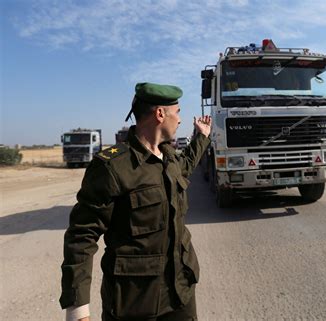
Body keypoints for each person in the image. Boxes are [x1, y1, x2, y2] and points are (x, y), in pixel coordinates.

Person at [60, 82, 212, 321]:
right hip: (135, 303)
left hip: (180, 293)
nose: (180, 120)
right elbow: (81, 236)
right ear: (160, 114)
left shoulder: (168, 157)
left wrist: (201, 137)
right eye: (178, 112)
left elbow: (187, 165)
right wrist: (77, 309)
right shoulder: (112, 167)